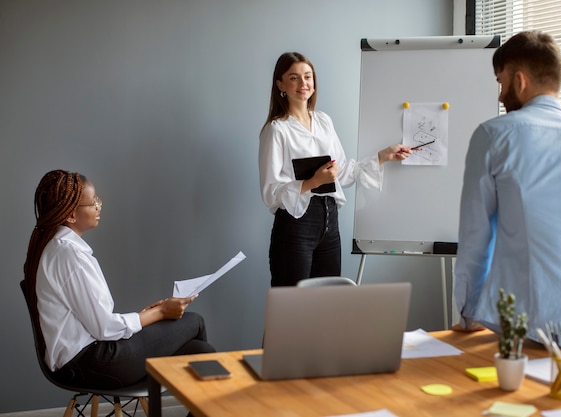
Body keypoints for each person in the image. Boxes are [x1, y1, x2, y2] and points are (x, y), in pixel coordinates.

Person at [453, 31, 561, 347]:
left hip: (539, 326)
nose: (500, 94)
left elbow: (476, 238)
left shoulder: (494, 136)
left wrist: (469, 313)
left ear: (519, 81)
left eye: (501, 82)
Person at [23, 170, 216, 389]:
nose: (99, 205)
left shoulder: (58, 248)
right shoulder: (69, 255)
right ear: (71, 215)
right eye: (93, 201)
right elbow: (103, 328)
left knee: (201, 352)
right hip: (90, 362)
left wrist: (144, 316)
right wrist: (159, 312)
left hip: (90, 356)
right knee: (194, 321)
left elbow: (96, 321)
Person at [259, 52, 412, 287]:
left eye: (308, 76)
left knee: (328, 304)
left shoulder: (323, 121)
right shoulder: (277, 130)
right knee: (292, 308)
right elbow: (271, 193)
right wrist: (313, 182)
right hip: (297, 223)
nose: (303, 84)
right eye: (294, 77)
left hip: (330, 221)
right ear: (280, 84)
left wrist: (382, 156)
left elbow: (341, 173)